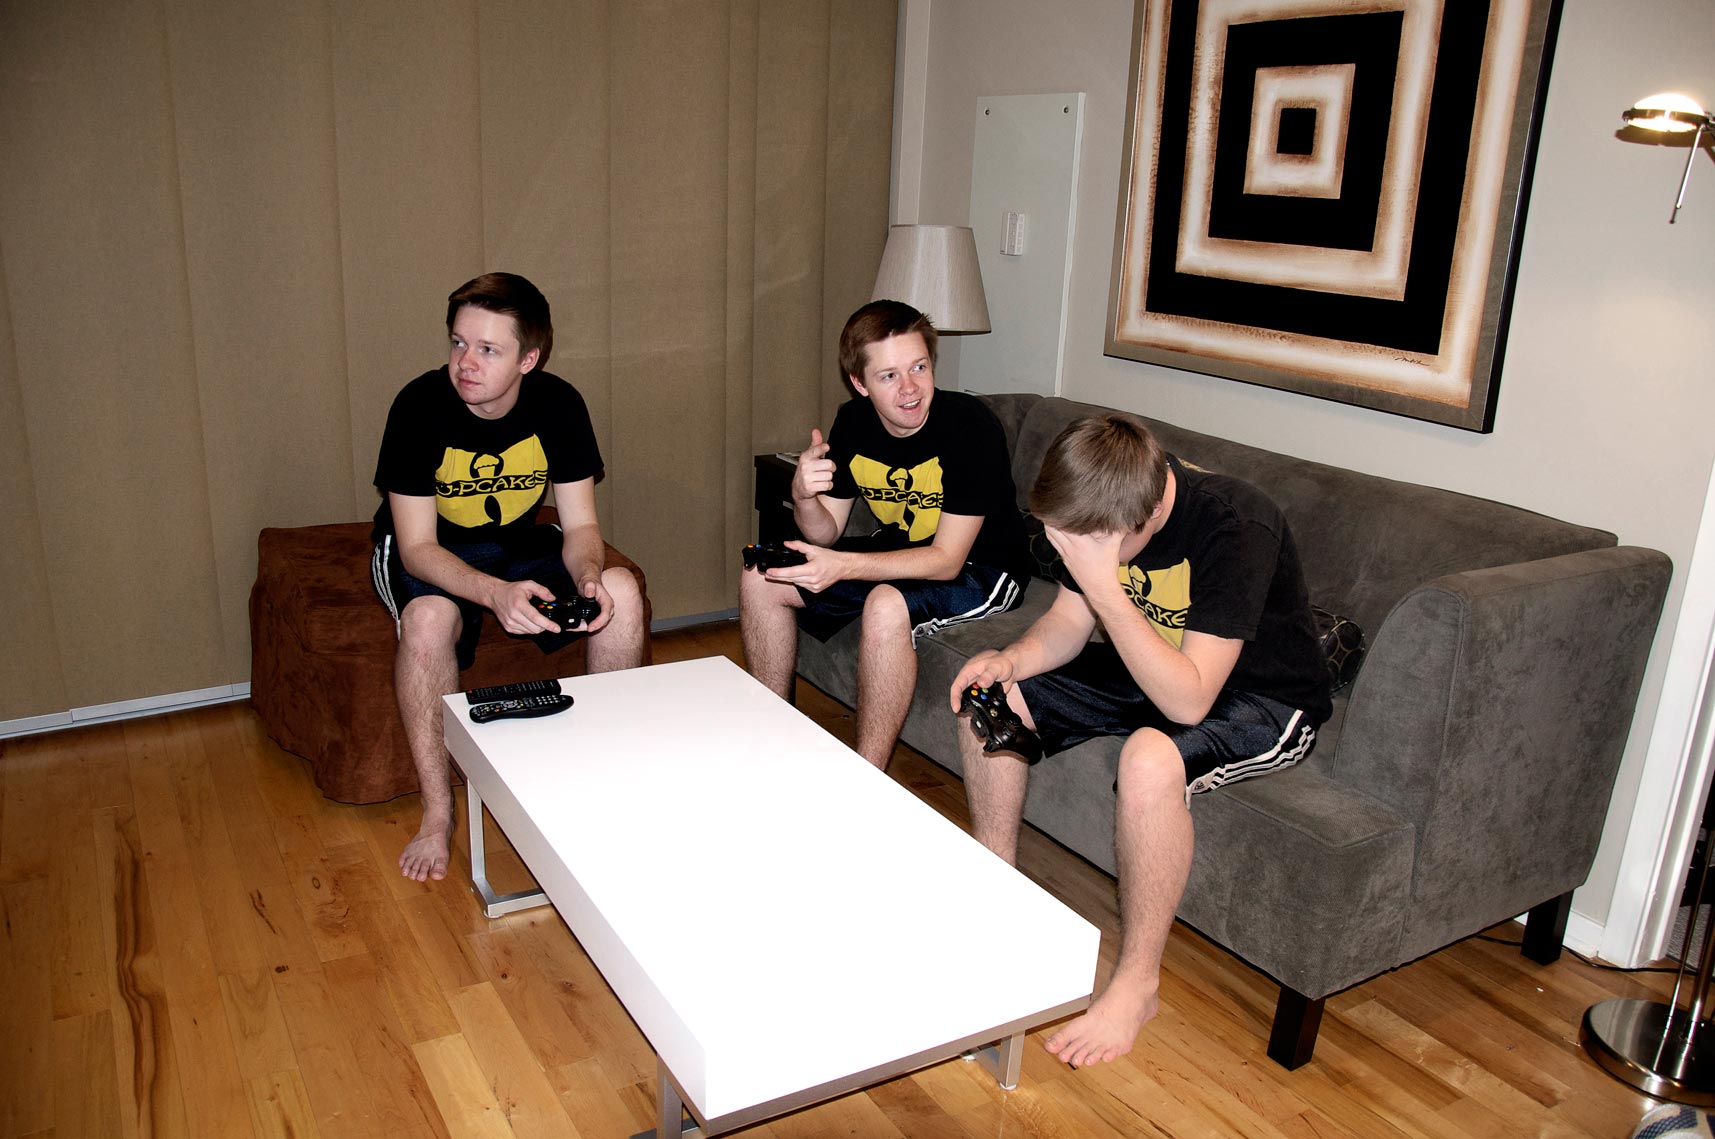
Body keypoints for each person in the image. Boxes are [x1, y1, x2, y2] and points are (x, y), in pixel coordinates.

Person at [949, 412, 1332, 1067]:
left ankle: (1137, 984)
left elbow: (1188, 699)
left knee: (1149, 759)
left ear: (1149, 514)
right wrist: (1010, 659)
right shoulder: (1104, 497)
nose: (1071, 551)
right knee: (990, 697)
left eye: (1087, 545)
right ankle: (998, 898)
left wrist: (1104, 586)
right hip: (1152, 663)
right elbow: (1069, 622)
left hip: (1259, 694)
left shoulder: (1236, 526)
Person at [371, 272, 647, 882]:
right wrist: (494, 594)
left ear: (529, 358)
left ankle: (605, 775)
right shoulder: (418, 406)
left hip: (516, 541)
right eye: (458, 343)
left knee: (621, 592)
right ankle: (438, 813)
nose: (465, 362)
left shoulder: (559, 404)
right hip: (433, 550)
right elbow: (415, 549)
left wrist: (591, 576)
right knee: (428, 620)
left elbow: (580, 527)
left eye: (488, 349)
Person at [740, 299, 1029, 769]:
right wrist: (804, 496)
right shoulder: (853, 422)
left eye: (919, 367)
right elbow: (827, 532)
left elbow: (946, 561)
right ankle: (769, 736)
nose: (910, 388)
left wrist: (845, 566)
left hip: (984, 567)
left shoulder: (970, 427)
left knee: (886, 603)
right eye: (889, 375)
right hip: (902, 549)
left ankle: (867, 775)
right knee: (763, 575)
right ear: (860, 383)